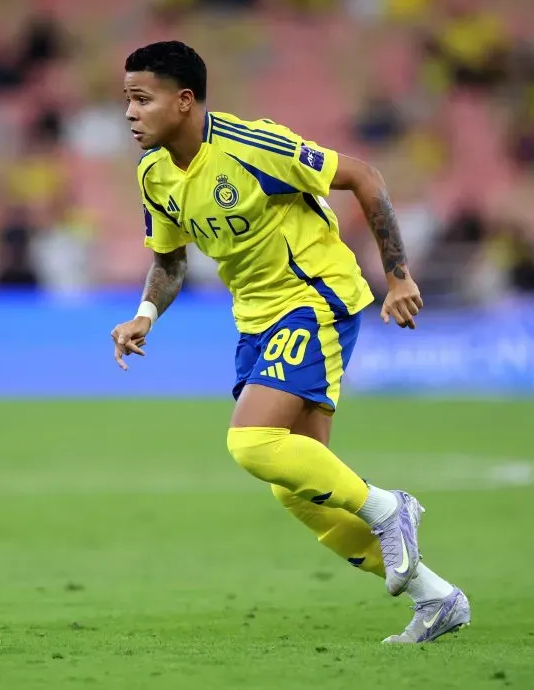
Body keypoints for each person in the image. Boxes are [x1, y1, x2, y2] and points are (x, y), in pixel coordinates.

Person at [110, 41, 470, 643]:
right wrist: (145, 313)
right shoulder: (154, 174)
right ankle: (437, 599)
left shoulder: (252, 146)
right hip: (255, 319)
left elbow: (363, 176)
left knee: (251, 441)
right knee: (297, 488)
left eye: (142, 99)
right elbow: (169, 260)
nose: (129, 112)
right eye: (127, 99)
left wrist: (399, 275)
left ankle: (390, 509)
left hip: (315, 300)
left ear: (184, 100)